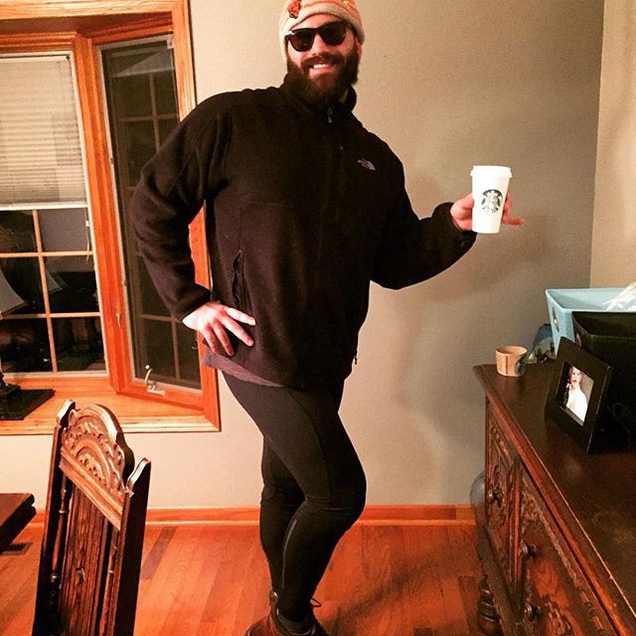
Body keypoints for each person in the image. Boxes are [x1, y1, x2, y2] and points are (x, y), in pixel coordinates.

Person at [130, 1, 523, 634]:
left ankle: (280, 594)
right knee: (339, 493)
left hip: (328, 354)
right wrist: (190, 301)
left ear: (355, 44)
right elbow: (153, 203)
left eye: (331, 32)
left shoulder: (375, 159)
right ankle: (289, 621)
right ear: (288, 48)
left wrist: (454, 224)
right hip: (256, 350)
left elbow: (395, 260)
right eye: (301, 36)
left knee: (286, 484)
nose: (316, 46)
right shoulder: (233, 119)